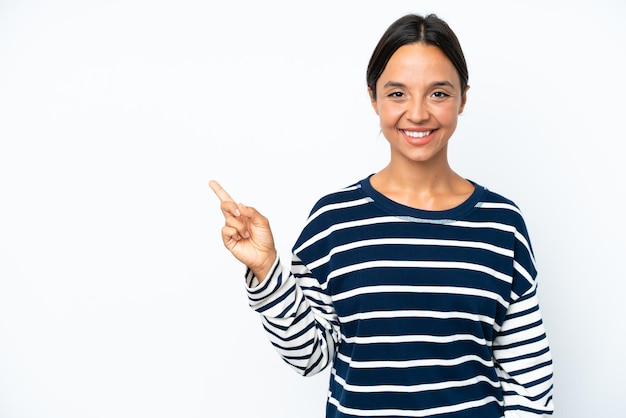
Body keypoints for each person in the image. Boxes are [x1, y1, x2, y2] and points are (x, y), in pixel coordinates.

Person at [209, 13, 554, 418]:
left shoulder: (501, 223)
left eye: (439, 93)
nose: (418, 113)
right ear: (373, 98)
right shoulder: (334, 222)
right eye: (397, 94)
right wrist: (268, 271)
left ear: (464, 96)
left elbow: (528, 381)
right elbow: (311, 356)